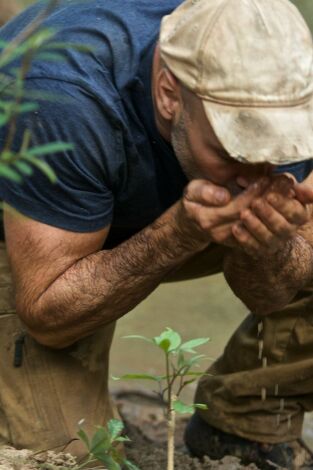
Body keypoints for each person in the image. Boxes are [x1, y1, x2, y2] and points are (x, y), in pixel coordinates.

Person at [0, 0, 313, 467]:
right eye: (235, 146)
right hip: (39, 234)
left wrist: (265, 247)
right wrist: (178, 234)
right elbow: (49, 317)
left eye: (272, 147)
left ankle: (244, 415)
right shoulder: (63, 96)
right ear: (169, 92)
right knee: (77, 454)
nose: (256, 172)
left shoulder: (280, 81)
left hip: (162, 211)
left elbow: (269, 296)